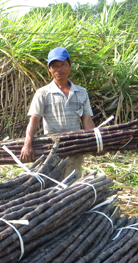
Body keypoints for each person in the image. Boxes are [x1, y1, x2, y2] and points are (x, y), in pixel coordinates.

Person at [20, 47, 95, 179]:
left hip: (75, 146)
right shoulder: (43, 93)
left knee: (71, 185)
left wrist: (95, 143)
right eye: (55, 66)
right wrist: (27, 144)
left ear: (69, 65)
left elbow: (87, 120)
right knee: (52, 185)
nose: (59, 69)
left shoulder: (81, 92)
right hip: (51, 148)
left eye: (63, 65)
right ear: (49, 69)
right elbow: (34, 119)